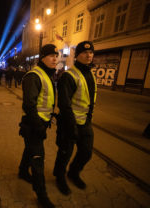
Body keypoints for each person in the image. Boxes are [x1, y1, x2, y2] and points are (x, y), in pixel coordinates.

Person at [53, 41, 97, 196]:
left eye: (91, 52)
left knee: (86, 152)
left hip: (85, 122)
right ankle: (59, 176)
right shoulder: (69, 75)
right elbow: (64, 105)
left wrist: (88, 118)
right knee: (65, 153)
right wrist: (71, 126)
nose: (89, 55)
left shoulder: (90, 73)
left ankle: (73, 173)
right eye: (85, 53)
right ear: (77, 56)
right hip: (69, 123)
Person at [18, 44, 58, 208]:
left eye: (56, 55)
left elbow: (45, 100)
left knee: (29, 150)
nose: (55, 58)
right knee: (38, 158)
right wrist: (39, 126)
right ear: (42, 58)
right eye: (51, 56)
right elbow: (29, 105)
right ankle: (41, 195)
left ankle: (22, 171)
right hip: (34, 125)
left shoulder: (48, 74)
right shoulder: (34, 76)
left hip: (41, 122)